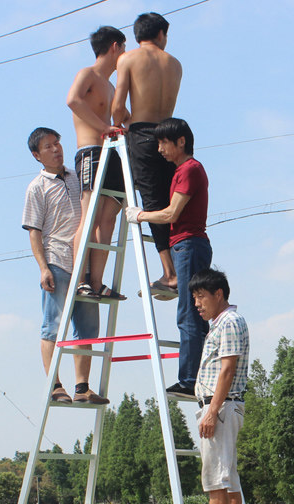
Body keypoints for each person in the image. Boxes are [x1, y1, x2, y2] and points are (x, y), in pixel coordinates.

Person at [125, 118, 211, 397]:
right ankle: (200, 377)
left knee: (189, 313)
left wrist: (140, 215)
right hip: (185, 246)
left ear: (181, 142)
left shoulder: (189, 169)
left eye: (164, 142)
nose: (160, 148)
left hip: (189, 245)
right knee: (194, 313)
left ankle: (190, 380)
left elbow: (172, 213)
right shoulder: (181, 171)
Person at [22, 127, 108, 405]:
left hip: (84, 263)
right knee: (53, 326)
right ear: (36, 155)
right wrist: (43, 268)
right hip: (57, 261)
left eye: (57, 143)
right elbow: (34, 231)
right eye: (48, 146)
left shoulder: (76, 176)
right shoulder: (37, 187)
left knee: (87, 328)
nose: (56, 149)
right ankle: (55, 385)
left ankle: (83, 387)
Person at [111, 12, 182, 297]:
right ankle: (179, 267)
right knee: (173, 201)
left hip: (142, 134)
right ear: (161, 34)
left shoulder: (128, 59)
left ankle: (170, 273)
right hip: (171, 133)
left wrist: (124, 121)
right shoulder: (174, 64)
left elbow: (117, 108)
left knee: (152, 202)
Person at [187, 269, 249, 504]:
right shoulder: (220, 324)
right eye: (194, 298)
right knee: (228, 480)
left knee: (215, 480)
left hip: (221, 407)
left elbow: (228, 369)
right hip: (222, 406)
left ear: (218, 294)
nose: (197, 304)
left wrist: (212, 411)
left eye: (201, 297)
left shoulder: (230, 322)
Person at [66, 25, 128, 301]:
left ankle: (97, 281)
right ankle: (80, 279)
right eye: (124, 48)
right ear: (115, 46)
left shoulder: (112, 86)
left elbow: (123, 116)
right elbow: (73, 100)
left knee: (108, 219)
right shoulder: (87, 74)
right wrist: (104, 127)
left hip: (112, 152)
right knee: (90, 216)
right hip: (91, 150)